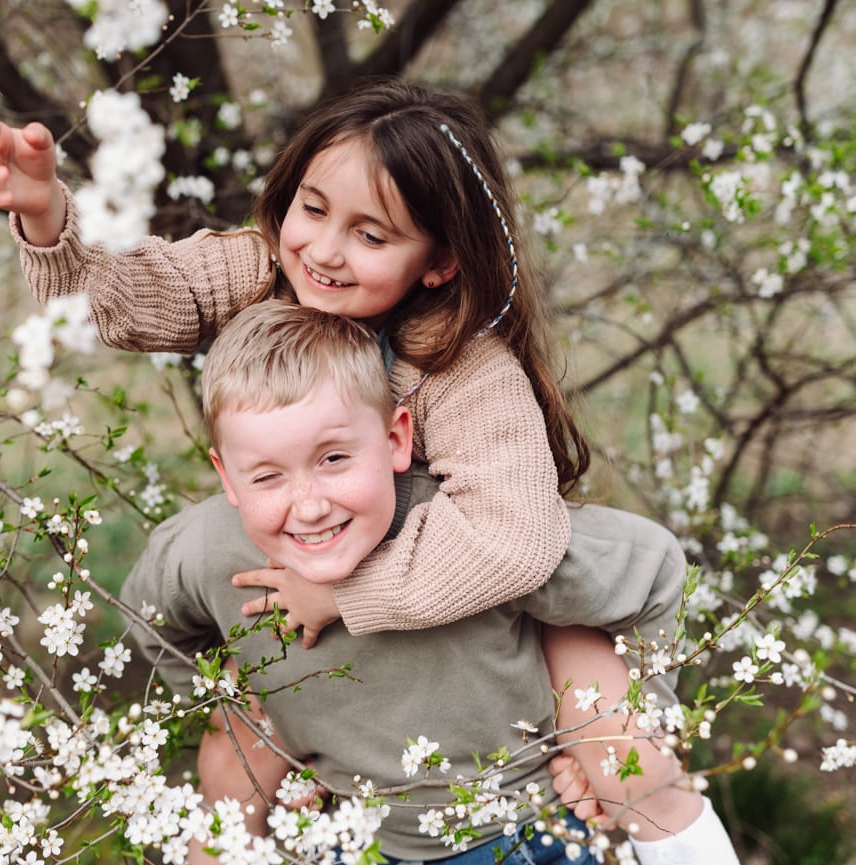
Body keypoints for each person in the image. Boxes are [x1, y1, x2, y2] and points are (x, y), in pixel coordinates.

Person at [0, 79, 736, 862]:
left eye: (373, 235)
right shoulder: (263, 267)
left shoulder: (463, 367)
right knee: (242, 739)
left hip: (504, 606)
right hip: (372, 651)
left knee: (624, 759)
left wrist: (340, 592)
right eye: (315, 208)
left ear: (438, 262)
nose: (325, 249)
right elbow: (135, 299)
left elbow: (513, 539)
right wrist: (49, 218)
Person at [179, 300, 736, 862]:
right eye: (269, 475)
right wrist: (309, 753)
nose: (310, 506)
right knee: (237, 709)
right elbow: (147, 640)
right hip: (361, 838)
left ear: (396, 439)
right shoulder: (212, 548)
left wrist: (639, 736)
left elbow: (657, 570)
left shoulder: (494, 541)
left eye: (334, 459)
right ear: (228, 475)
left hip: (522, 832)